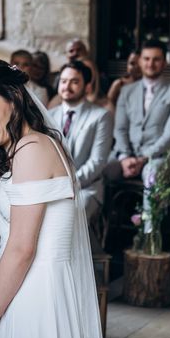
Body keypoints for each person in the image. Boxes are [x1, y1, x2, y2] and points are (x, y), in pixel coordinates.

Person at [0, 59, 103, 338]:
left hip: (33, 296)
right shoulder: (31, 146)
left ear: (12, 99)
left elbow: (22, 248)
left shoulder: (32, 149)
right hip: (28, 290)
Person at [104, 40, 170, 230]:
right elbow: (120, 129)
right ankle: (100, 233)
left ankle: (149, 237)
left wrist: (142, 159)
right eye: (147, 59)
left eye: (156, 59)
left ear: (164, 62)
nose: (151, 64)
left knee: (151, 175)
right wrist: (125, 157)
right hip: (125, 155)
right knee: (100, 169)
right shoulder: (127, 91)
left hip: (157, 158)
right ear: (140, 61)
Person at [49, 60, 113, 222]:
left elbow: (97, 161)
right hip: (51, 187)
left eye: (75, 82)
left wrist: (68, 185)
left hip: (85, 188)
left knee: (70, 216)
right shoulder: (48, 116)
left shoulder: (101, 116)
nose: (67, 86)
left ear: (88, 87)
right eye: (63, 81)